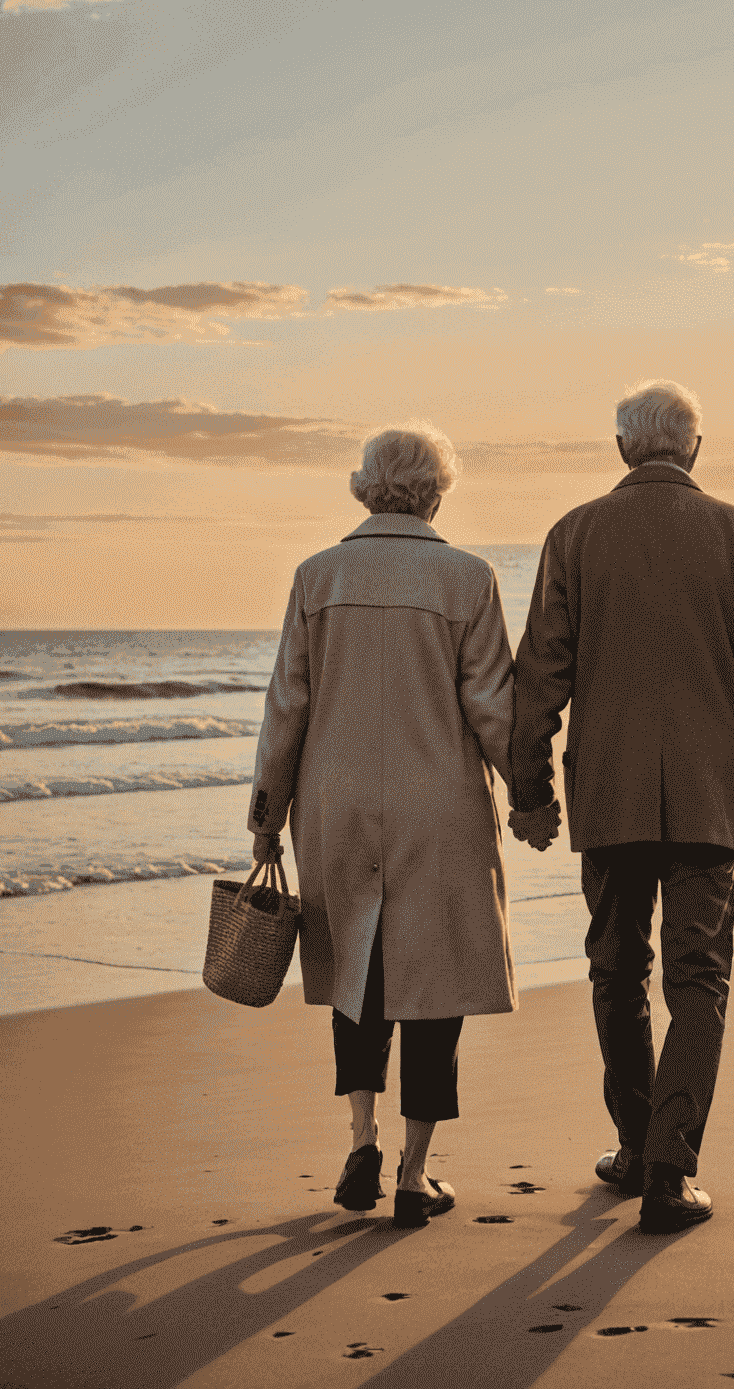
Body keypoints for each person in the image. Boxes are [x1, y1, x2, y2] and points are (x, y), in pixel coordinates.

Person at [508, 380, 734, 1234]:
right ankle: (669, 1170)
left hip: (608, 792)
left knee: (616, 970)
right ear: (696, 450)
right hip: (712, 799)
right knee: (699, 981)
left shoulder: (574, 534)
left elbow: (539, 678)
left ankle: (638, 1146)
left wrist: (529, 792)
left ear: (621, 451)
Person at [248, 423, 518, 1230]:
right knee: (434, 982)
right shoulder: (468, 578)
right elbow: (492, 709)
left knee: (354, 969)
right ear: (437, 491)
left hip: (333, 801)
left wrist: (266, 814)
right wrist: (532, 794)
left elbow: (286, 706)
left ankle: (360, 1137)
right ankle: (414, 1169)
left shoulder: (316, 576)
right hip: (437, 800)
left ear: (365, 486)